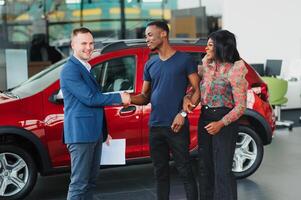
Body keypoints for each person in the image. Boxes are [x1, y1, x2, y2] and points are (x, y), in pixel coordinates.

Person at [130, 20, 200, 200]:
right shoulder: (150, 64)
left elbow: (197, 92)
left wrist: (183, 114)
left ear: (163, 34)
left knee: (184, 170)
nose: (147, 39)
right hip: (155, 126)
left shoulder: (184, 60)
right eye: (145, 36)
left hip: (176, 126)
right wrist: (125, 98)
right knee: (160, 173)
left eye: (150, 35)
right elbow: (144, 96)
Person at [60, 27, 130, 200]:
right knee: (79, 184)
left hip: (93, 134)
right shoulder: (70, 69)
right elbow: (91, 99)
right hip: (80, 135)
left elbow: (94, 104)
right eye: (83, 43)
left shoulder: (85, 67)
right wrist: (120, 96)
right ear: (73, 45)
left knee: (90, 182)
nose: (89, 47)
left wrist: (103, 132)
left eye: (91, 43)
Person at [183, 30, 248, 200]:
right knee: (205, 168)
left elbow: (241, 106)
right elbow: (195, 90)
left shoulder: (236, 69)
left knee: (222, 170)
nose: (206, 48)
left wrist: (221, 123)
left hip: (224, 122)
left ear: (222, 46)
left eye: (210, 45)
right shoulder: (206, 65)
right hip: (205, 118)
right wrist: (187, 98)